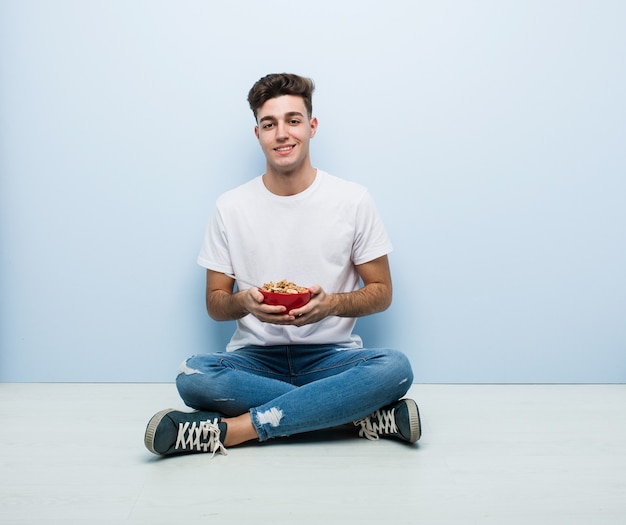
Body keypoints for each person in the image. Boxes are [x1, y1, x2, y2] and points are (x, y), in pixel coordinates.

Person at [144, 73, 421, 457]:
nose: (282, 133)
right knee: (194, 376)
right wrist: (244, 303)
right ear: (257, 133)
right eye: (269, 124)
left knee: (395, 367)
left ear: (312, 126)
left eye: (293, 120)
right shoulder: (231, 206)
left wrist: (332, 305)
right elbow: (215, 302)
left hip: (332, 356)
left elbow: (382, 292)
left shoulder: (353, 200)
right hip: (254, 359)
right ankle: (353, 417)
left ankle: (231, 431)